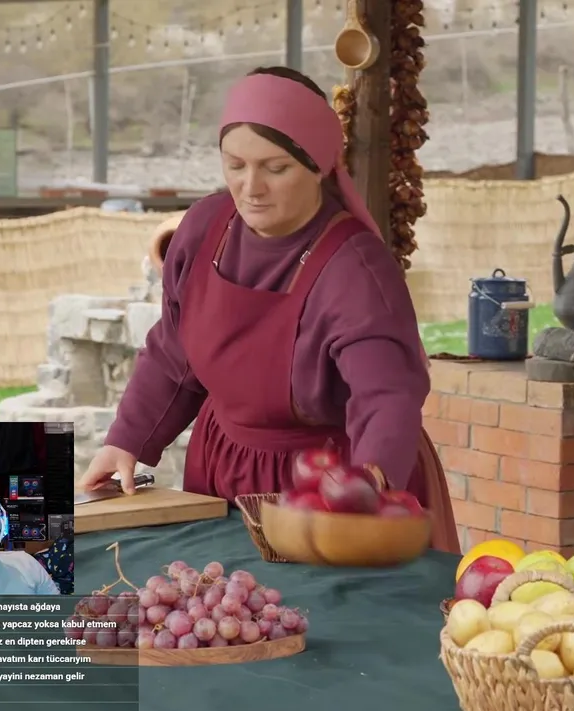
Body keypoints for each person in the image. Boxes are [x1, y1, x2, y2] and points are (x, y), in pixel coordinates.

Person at [77, 66, 460, 553]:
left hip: (328, 487)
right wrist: (126, 439)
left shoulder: (356, 271)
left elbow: (386, 399)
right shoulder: (203, 229)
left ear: (318, 166)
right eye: (235, 164)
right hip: (222, 468)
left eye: (275, 168)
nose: (251, 187)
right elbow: (175, 354)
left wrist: (364, 497)